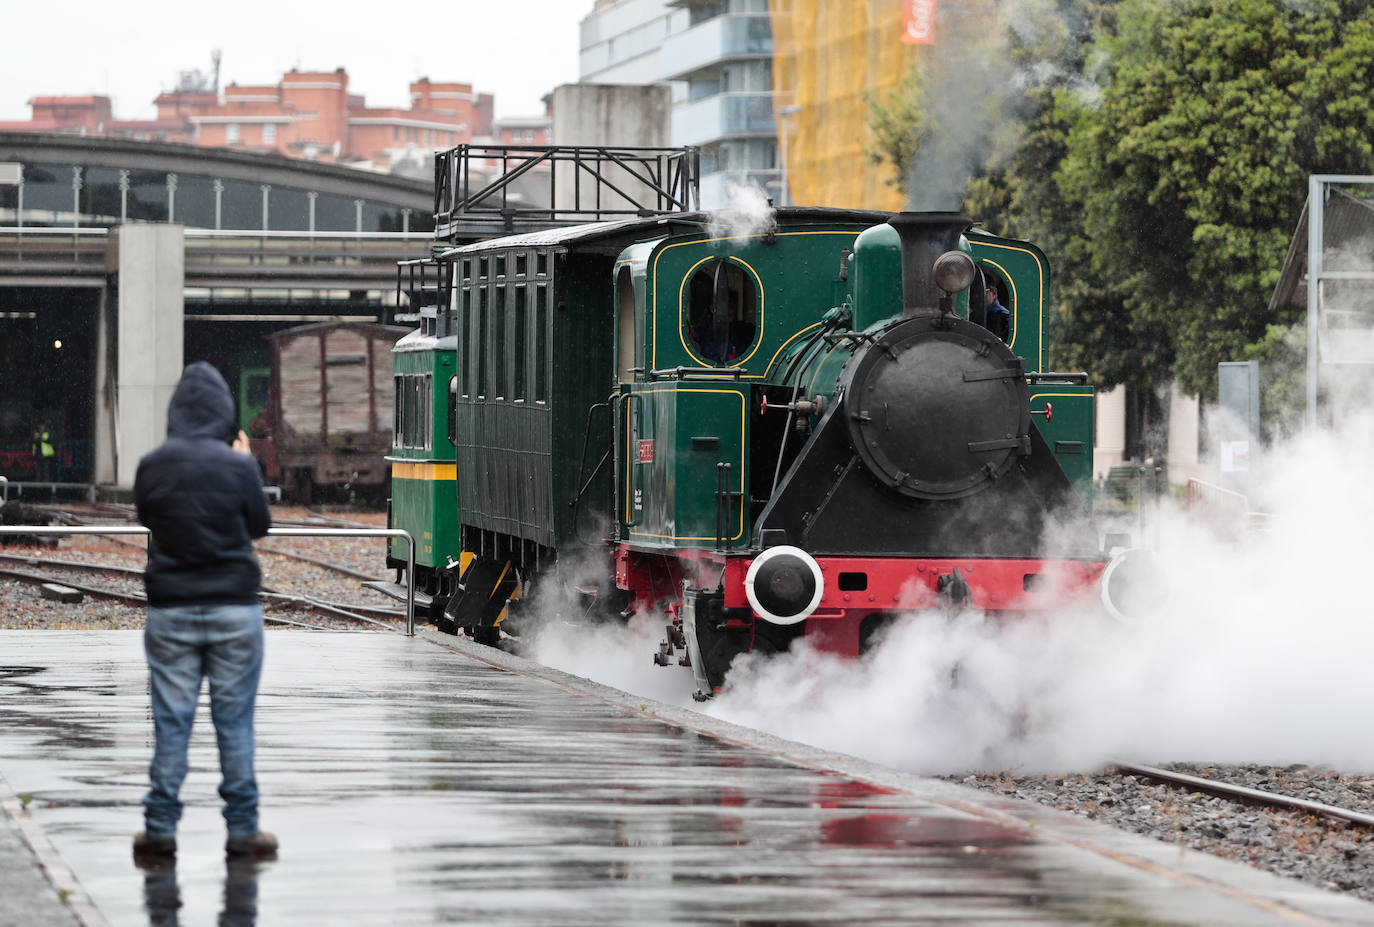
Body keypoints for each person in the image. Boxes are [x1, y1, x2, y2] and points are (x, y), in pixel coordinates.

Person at [132, 361, 276, 865]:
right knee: (234, 722)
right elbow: (259, 525)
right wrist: (247, 463)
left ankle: (158, 828)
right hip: (234, 611)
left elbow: (148, 516)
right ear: (223, 412)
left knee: (172, 724)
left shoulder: (153, 464)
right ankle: (242, 831)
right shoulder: (237, 466)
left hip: (171, 611)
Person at [983, 272, 1011, 343]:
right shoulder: (972, 316)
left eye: (983, 292)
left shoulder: (1006, 319)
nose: (976, 297)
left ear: (994, 293)